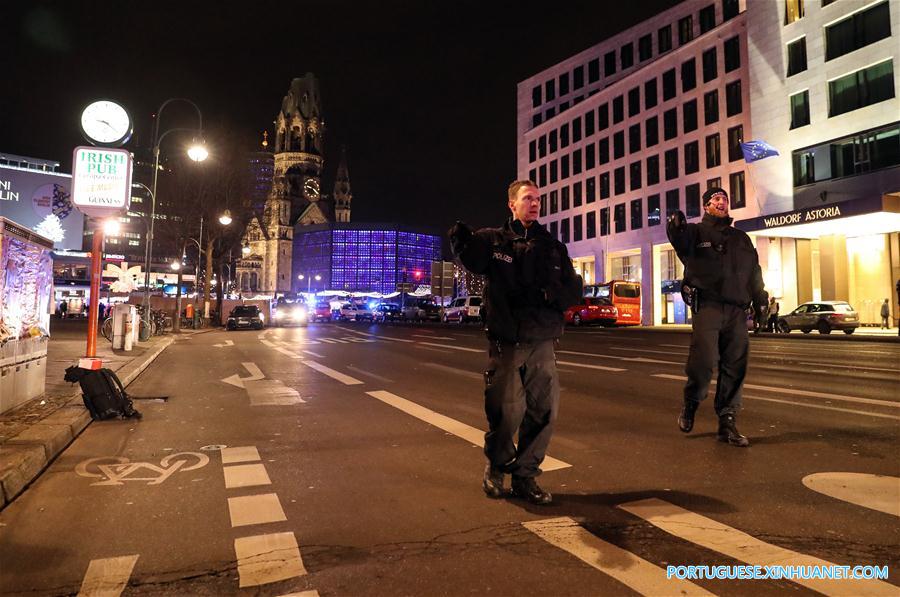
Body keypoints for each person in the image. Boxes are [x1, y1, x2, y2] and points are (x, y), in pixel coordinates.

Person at [449, 180, 582, 505]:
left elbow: (573, 287)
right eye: (528, 198)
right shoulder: (493, 240)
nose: (535, 204)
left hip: (543, 342)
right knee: (505, 413)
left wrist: (556, 295)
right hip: (507, 342)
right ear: (512, 204)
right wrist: (462, 243)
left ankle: (526, 477)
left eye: (537, 199)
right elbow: (474, 261)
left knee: (543, 413)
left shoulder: (552, 246)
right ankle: (496, 467)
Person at [667, 187, 768, 448]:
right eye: (715, 199)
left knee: (735, 366)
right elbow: (678, 238)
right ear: (706, 207)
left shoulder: (741, 239)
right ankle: (691, 404)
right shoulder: (695, 233)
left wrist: (761, 301)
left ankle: (727, 422)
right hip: (708, 306)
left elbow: (754, 273)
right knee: (703, 362)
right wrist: (675, 225)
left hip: (737, 310)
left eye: (724, 199)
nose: (721, 202)